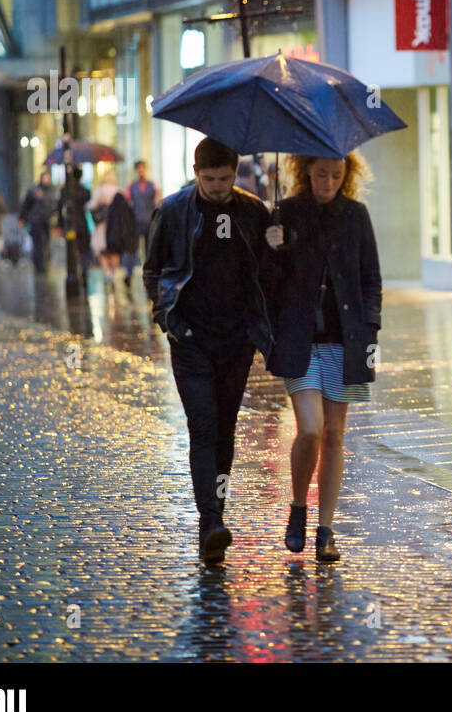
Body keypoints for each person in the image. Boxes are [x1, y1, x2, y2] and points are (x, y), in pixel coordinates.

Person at [144, 138, 275, 565]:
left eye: (225, 178)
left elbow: (271, 272)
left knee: (224, 431)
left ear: (235, 173)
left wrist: (279, 240)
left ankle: (214, 515)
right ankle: (210, 522)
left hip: (236, 341)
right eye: (210, 179)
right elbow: (153, 269)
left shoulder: (253, 212)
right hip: (191, 339)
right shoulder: (174, 210)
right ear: (196, 172)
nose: (218, 187)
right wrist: (168, 319)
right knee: (202, 428)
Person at [265, 152, 381, 563]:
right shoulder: (287, 212)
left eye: (336, 175)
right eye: (320, 174)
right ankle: (298, 507)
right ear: (305, 171)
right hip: (300, 340)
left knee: (335, 435)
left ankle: (326, 530)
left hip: (345, 341)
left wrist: (369, 334)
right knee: (310, 428)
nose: (328, 182)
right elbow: (270, 283)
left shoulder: (356, 215)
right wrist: (273, 247)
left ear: (347, 174)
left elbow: (371, 281)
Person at [88, 167, 127, 285]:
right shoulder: (118, 191)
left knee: (103, 250)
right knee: (114, 251)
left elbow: (91, 206)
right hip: (115, 226)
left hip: (102, 225)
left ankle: (107, 272)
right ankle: (113, 273)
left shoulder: (98, 191)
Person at [57, 166, 93, 286]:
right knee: (83, 250)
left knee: (73, 250)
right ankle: (83, 271)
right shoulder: (83, 191)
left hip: (72, 225)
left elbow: (60, 209)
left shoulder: (65, 191)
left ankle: (77, 273)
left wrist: (60, 226)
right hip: (81, 224)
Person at [125, 160, 158, 287]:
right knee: (133, 249)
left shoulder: (152, 185)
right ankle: (129, 274)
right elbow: (129, 203)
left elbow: (156, 202)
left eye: (142, 168)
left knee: (149, 250)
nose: (141, 171)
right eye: (138, 168)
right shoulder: (132, 186)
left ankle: (150, 274)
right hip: (136, 222)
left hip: (149, 221)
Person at [19, 171, 58, 272]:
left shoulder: (51, 191)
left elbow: (54, 207)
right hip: (36, 221)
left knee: (46, 243)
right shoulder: (34, 191)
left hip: (46, 221)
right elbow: (26, 205)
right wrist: (22, 218)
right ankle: (39, 265)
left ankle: (45, 263)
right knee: (38, 244)